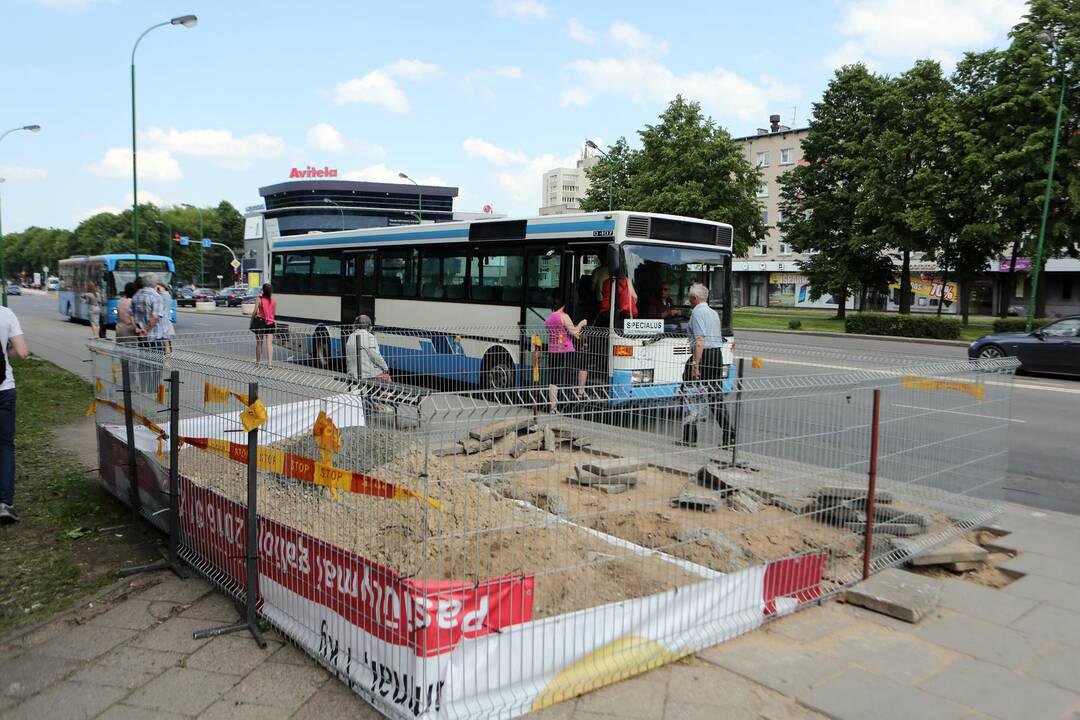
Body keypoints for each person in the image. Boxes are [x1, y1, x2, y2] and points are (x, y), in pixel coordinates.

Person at [682, 283, 732, 447]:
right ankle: (729, 434)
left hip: (703, 356)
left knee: (690, 394)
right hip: (716, 356)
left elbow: (700, 340)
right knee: (714, 396)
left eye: (689, 298)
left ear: (694, 298)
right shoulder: (713, 313)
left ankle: (690, 438)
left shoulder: (697, 313)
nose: (688, 301)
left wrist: (695, 365)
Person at [0, 305, 29, 524]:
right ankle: (5, 504)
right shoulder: (6, 314)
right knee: (5, 445)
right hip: (4, 388)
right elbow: (22, 352)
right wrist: (6, 353)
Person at [545, 297, 586, 413]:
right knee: (583, 366)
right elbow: (574, 332)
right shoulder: (564, 316)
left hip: (553, 351)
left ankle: (553, 408)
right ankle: (580, 393)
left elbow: (550, 333)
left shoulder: (548, 319)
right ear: (563, 306)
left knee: (554, 379)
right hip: (566, 350)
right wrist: (582, 323)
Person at [132, 274, 167, 393]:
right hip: (155, 337)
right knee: (156, 365)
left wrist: (138, 329)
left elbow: (131, 315)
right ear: (154, 283)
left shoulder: (136, 296)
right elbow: (155, 317)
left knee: (143, 363)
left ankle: (144, 387)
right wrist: (147, 330)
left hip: (141, 338)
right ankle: (154, 389)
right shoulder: (156, 296)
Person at [345, 315, 390, 383]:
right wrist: (385, 367)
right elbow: (375, 355)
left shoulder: (351, 336)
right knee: (387, 378)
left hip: (352, 372)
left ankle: (378, 393)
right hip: (366, 374)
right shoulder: (370, 337)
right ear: (369, 326)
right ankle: (381, 393)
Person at [252, 283, 276, 367]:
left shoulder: (259, 299)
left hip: (260, 323)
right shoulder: (273, 300)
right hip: (271, 323)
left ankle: (258, 363)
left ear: (263, 290)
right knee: (269, 344)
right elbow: (272, 313)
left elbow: (255, 311)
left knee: (259, 343)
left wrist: (252, 318)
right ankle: (269, 364)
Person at [155, 283, 175, 354]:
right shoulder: (167, 295)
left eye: (158, 288)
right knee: (167, 343)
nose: (157, 290)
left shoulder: (164, 295)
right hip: (166, 320)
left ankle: (167, 362)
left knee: (166, 344)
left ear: (163, 287)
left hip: (164, 321)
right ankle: (167, 359)